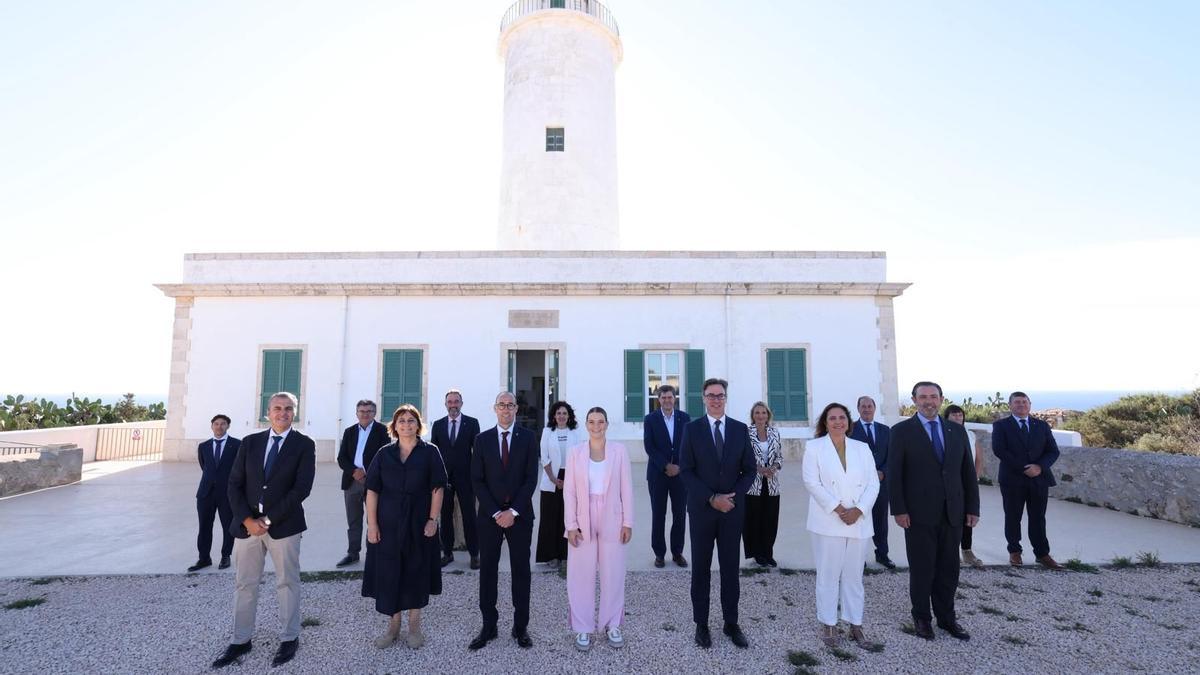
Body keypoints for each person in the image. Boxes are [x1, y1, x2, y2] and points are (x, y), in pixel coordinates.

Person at [213, 392, 316, 669]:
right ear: (267, 412)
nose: (282, 413)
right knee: (245, 583)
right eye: (277, 408)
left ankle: (290, 637)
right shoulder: (250, 443)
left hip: (284, 526)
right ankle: (240, 639)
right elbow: (234, 484)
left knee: (287, 582)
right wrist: (247, 520)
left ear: (294, 412)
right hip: (246, 528)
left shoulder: (304, 445)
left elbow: (301, 489)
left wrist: (268, 520)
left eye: (288, 409)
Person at [888, 381, 980, 642]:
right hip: (917, 514)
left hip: (953, 512)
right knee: (922, 569)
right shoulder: (901, 431)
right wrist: (899, 509)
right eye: (923, 397)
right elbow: (895, 475)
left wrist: (972, 507)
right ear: (914, 400)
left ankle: (947, 618)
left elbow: (967, 473)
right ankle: (922, 618)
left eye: (933, 396)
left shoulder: (956, 431)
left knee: (949, 569)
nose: (928, 401)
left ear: (941, 399)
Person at [680, 377, 757, 649]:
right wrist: (712, 498)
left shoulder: (739, 429)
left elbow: (749, 470)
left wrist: (731, 498)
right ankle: (701, 624)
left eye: (720, 395)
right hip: (702, 511)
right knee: (700, 568)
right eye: (711, 395)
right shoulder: (692, 430)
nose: (716, 399)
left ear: (726, 398)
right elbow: (686, 470)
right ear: (703, 398)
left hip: (732, 511)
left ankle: (731, 623)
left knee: (730, 569)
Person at [362, 404, 446, 650]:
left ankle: (415, 626)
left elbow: (437, 488)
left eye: (411, 420)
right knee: (389, 573)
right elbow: (372, 491)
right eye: (402, 421)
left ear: (418, 425)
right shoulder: (383, 454)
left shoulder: (430, 452)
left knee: (416, 570)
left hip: (419, 522)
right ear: (394, 426)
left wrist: (433, 519)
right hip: (387, 524)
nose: (406, 425)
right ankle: (393, 626)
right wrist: (372, 524)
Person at [802, 402, 881, 649]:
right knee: (828, 574)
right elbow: (811, 482)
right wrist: (838, 508)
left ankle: (855, 623)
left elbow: (873, 483)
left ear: (849, 422)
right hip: (828, 520)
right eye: (832, 418)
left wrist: (858, 510)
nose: (838, 422)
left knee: (854, 575)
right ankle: (828, 623)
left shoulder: (862, 447)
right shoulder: (814, 447)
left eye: (842, 418)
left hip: (858, 521)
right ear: (825, 423)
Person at [468, 391, 540, 651]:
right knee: (488, 571)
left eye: (510, 405)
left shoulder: (529, 438)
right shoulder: (482, 439)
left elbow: (531, 477)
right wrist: (497, 513)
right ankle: (489, 626)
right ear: (494, 408)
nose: (506, 409)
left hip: (520, 517)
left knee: (521, 572)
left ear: (517, 409)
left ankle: (520, 628)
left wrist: (514, 512)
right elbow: (477, 480)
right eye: (502, 405)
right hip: (490, 518)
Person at [564, 407, 634, 651]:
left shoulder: (619, 451)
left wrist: (628, 522)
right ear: (586, 424)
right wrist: (571, 525)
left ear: (607, 424)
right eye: (592, 422)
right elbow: (570, 491)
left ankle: (612, 624)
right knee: (580, 575)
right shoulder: (575, 453)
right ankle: (583, 628)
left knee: (613, 573)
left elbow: (627, 488)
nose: (596, 426)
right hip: (583, 519)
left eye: (601, 422)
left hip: (612, 518)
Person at [991, 392, 1062, 570]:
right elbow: (1000, 450)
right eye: (1017, 402)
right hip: (1013, 479)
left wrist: (1039, 467)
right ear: (1010, 405)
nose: (1021, 405)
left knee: (1038, 518)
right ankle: (1014, 551)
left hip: (1039, 479)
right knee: (1013, 516)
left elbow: (1053, 451)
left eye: (1024, 402)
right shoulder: (1001, 426)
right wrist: (1025, 468)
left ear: (1030, 405)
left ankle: (1042, 554)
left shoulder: (1041, 426)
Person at [430, 389, 481, 569]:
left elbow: (477, 453)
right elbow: (433, 454)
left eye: (456, 401)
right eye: (450, 402)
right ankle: (448, 553)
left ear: (461, 403)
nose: (453, 405)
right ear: (445, 404)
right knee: (445, 516)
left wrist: (477, 476)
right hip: (444, 480)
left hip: (466, 479)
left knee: (470, 516)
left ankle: (475, 554)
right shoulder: (437, 425)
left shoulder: (472, 423)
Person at [335, 400, 390, 567]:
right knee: (353, 520)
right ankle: (353, 553)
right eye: (362, 411)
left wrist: (369, 474)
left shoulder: (383, 431)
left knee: (374, 520)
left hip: (373, 483)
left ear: (375, 413)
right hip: (352, 481)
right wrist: (354, 471)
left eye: (369, 411)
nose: (365, 414)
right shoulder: (349, 431)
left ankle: (373, 553)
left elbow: (386, 457)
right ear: (356, 413)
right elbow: (341, 458)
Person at [643, 384, 690, 568]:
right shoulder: (650, 419)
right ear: (659, 400)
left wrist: (678, 467)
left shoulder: (684, 418)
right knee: (658, 514)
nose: (667, 400)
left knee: (679, 514)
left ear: (675, 398)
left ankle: (677, 553)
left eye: (670, 397)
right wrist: (665, 465)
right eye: (663, 398)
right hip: (657, 474)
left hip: (680, 475)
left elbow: (688, 445)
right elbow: (649, 446)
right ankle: (659, 554)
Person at [190, 414, 240, 572]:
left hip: (227, 494)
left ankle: (226, 556)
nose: (219, 426)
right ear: (212, 426)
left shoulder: (237, 445)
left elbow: (239, 469)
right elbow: (205, 467)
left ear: (228, 426)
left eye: (223, 424)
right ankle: (204, 558)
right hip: (205, 494)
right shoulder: (203, 446)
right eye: (216, 424)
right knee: (204, 526)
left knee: (228, 526)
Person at [850, 396, 894, 569]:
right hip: (858, 485)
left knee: (880, 520)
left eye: (870, 406)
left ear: (874, 408)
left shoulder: (886, 430)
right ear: (858, 409)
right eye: (863, 406)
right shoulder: (850, 430)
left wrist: (883, 472)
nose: (867, 409)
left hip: (881, 484)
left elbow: (891, 456)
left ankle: (882, 554)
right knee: (859, 520)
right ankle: (859, 558)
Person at [536, 400, 581, 569]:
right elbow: (544, 457)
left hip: (571, 477)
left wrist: (570, 480)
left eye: (564, 413)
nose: (561, 416)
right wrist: (554, 480)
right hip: (551, 479)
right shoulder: (547, 432)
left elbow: (580, 456)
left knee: (568, 518)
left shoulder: (575, 433)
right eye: (558, 413)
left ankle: (566, 555)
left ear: (569, 416)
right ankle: (551, 555)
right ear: (554, 416)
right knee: (549, 518)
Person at [944, 405, 985, 568]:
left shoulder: (970, 435)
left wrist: (974, 478)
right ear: (946, 417)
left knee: (969, 515)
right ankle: (951, 552)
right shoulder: (943, 434)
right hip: (951, 483)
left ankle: (967, 551)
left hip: (968, 483)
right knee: (952, 517)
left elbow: (979, 459)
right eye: (953, 415)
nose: (957, 417)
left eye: (960, 415)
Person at [743, 401, 782, 567]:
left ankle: (768, 553)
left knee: (770, 519)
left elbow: (780, 456)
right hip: (753, 484)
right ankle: (757, 553)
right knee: (754, 519)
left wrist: (774, 467)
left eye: (763, 413)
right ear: (753, 415)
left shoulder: (774, 432)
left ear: (768, 415)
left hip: (772, 483)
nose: (760, 416)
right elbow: (742, 457)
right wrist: (757, 468)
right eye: (757, 413)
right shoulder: (746, 432)